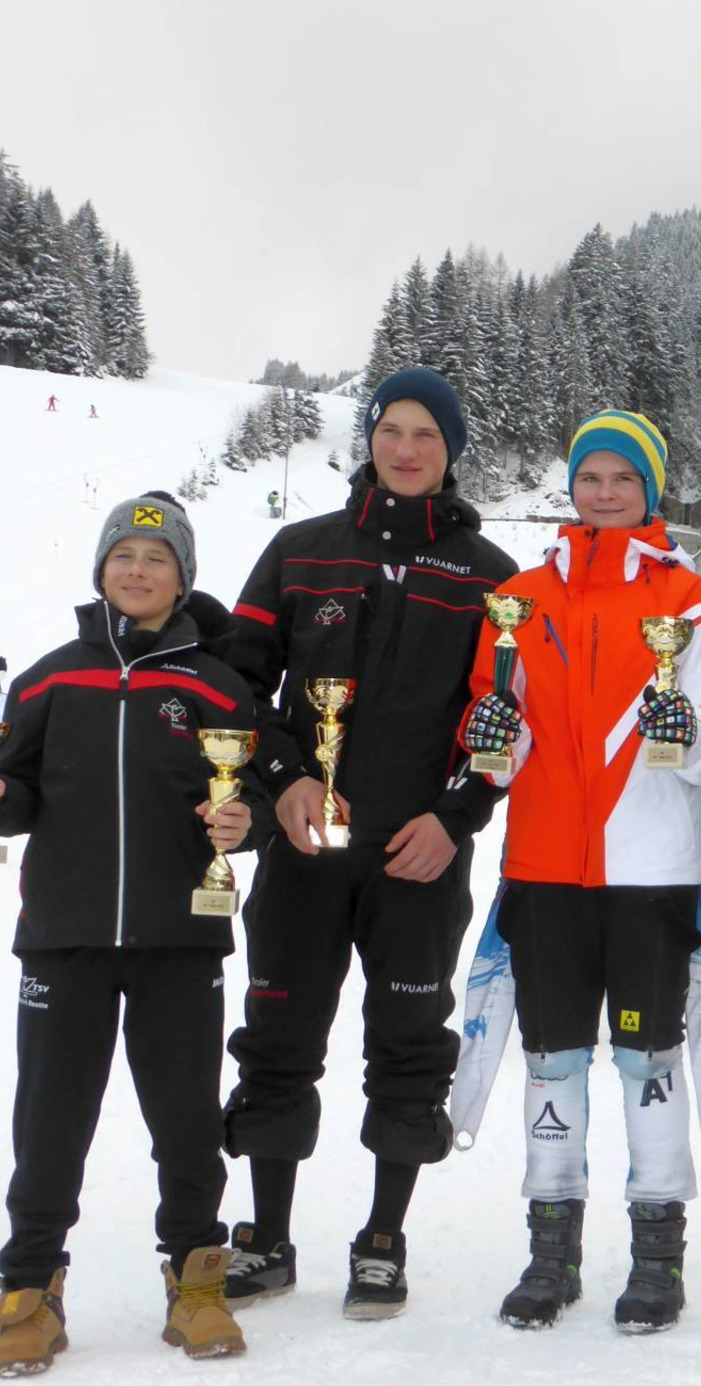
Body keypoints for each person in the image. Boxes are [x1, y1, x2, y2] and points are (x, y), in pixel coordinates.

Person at [219, 366, 517, 1319]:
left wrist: (457, 818)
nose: (406, 448)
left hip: (418, 858)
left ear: (452, 451)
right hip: (303, 854)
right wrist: (284, 778)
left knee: (408, 1046)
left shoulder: (489, 578)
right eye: (392, 428)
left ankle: (384, 1238)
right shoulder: (303, 552)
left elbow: (505, 722)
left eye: (427, 433)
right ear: (371, 438)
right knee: (277, 1040)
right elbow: (233, 692)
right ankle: (265, 1236)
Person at [0, 492, 264, 1375]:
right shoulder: (52, 678)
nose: (137, 570)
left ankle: (197, 1282)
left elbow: (252, 804)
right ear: (101, 571)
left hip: (181, 937)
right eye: (123, 556)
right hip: (65, 935)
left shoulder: (214, 685)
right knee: (51, 1118)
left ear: (183, 577)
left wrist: (247, 825)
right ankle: (31, 1290)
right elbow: (11, 790)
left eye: (156, 558)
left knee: (184, 1119)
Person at [458, 410, 701, 1332]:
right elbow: (494, 732)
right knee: (552, 1062)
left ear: (652, 490)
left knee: (648, 1060)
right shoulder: (520, 599)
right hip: (543, 865)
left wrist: (685, 733)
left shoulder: (697, 603)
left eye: (626, 478)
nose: (607, 492)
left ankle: (658, 1258)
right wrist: (491, 739)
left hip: (653, 869)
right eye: (592, 477)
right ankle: (553, 1253)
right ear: (572, 487)